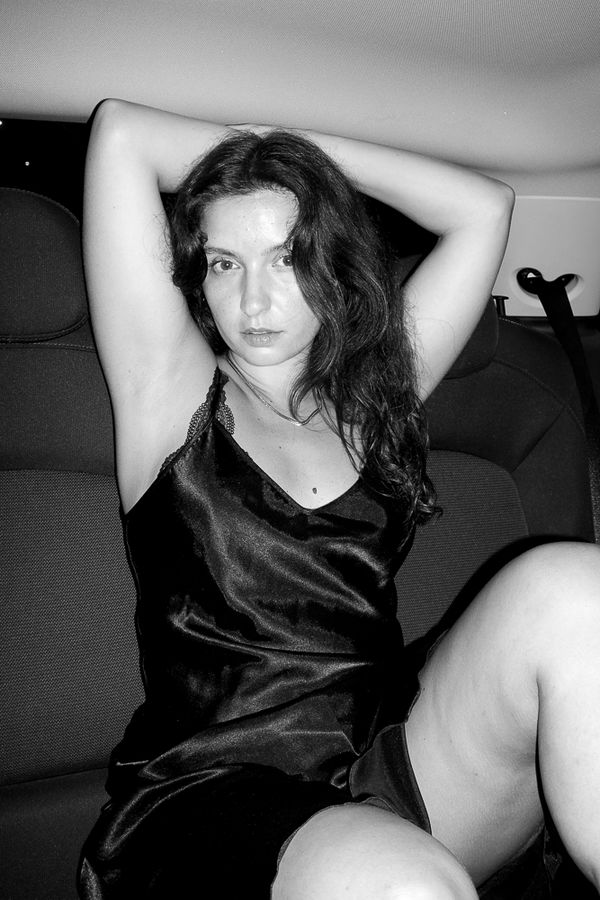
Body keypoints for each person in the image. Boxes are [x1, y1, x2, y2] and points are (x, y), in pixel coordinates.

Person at [78, 99, 600, 899]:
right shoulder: (168, 392)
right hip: (217, 792)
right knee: (403, 884)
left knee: (570, 588)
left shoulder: (375, 401)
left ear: (331, 259)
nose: (253, 302)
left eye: (287, 257)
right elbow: (121, 133)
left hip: (384, 756)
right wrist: (281, 170)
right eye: (225, 264)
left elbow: (484, 208)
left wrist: (299, 169)